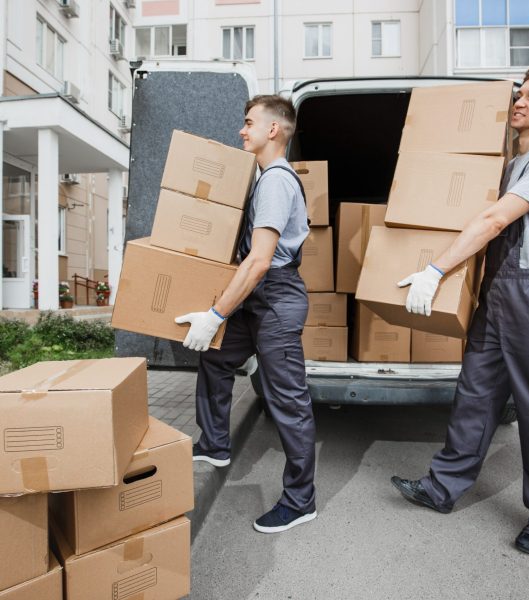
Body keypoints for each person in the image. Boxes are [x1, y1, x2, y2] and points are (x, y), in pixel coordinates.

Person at [391, 64, 529, 555]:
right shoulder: (504, 163)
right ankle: (442, 488)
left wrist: (435, 271)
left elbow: (495, 218)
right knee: (475, 393)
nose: (520, 102)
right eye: (519, 94)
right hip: (497, 292)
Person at [174, 95, 317, 534]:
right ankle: (216, 444)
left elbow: (258, 261)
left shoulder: (276, 180)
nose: (242, 130)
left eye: (249, 122)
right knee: (216, 359)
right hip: (257, 295)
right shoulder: (261, 177)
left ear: (273, 130)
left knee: (287, 399)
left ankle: (300, 501)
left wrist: (216, 313)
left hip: (273, 296)